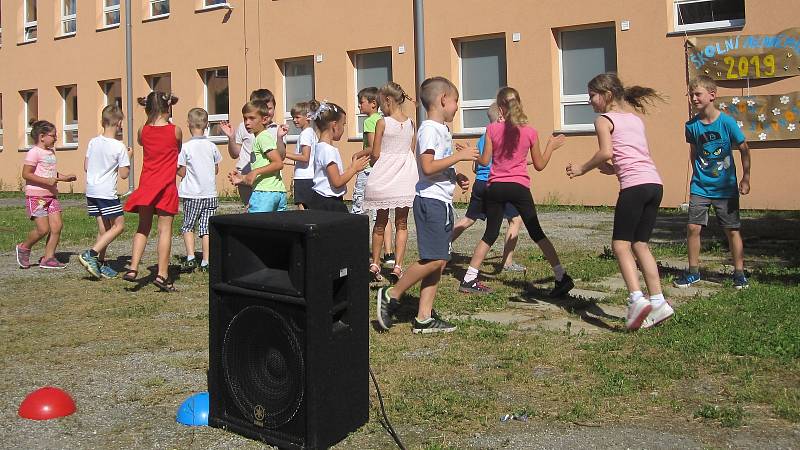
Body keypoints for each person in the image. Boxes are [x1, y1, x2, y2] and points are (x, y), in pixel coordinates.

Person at [566, 73, 673, 330]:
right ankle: (658, 301)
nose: (590, 101)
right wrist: (614, 170)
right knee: (641, 244)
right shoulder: (634, 119)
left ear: (607, 95)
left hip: (634, 188)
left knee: (621, 246)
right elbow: (631, 153)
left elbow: (606, 151)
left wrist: (582, 168)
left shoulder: (603, 120)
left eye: (592, 96)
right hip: (653, 184)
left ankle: (636, 299)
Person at [375, 76, 478, 334]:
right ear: (443, 99)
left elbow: (438, 166)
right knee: (435, 259)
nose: (457, 107)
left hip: (441, 201)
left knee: (439, 261)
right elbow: (428, 166)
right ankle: (392, 293)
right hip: (430, 202)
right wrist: (460, 156)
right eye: (455, 101)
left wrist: (456, 175)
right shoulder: (430, 129)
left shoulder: (441, 129)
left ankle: (423, 317)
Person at [459, 87, 572, 298]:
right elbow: (539, 165)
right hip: (519, 187)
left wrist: (470, 152)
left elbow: (484, 161)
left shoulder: (492, 129)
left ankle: (469, 278)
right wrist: (551, 146)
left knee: (490, 233)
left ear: (500, 108)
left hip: (495, 186)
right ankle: (560, 276)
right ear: (519, 104)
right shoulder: (530, 132)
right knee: (536, 231)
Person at [675, 75, 751, 290]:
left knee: (732, 229)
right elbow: (693, 152)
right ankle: (692, 272)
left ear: (712, 95)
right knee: (692, 227)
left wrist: (745, 178)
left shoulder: (726, 122)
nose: (694, 98)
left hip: (725, 187)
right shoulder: (691, 126)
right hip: (700, 186)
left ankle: (739, 273)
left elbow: (744, 148)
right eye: (691, 94)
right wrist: (697, 174)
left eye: (697, 94)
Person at [450, 103, 525, 272]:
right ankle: (507, 262)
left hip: (480, 184)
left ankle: (440, 248)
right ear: (501, 117)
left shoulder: (484, 137)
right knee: (515, 220)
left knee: (469, 218)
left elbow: (477, 167)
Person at [122, 92, 181, 292]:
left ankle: (132, 267)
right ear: (169, 108)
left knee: (143, 227)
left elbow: (141, 141)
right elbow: (177, 149)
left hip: (147, 185)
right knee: (164, 230)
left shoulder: (143, 130)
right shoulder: (175, 131)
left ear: (147, 109)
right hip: (166, 186)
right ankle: (162, 274)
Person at [363, 82, 418, 283]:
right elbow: (411, 150)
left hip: (385, 174)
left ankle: (375, 263)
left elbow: (376, 152)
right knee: (402, 223)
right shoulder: (412, 123)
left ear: (387, 100)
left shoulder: (382, 122)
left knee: (380, 222)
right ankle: (397, 266)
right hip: (405, 175)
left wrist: (373, 162)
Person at [78, 105, 131, 278]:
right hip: (106, 192)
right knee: (119, 226)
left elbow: (86, 166)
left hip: (91, 190)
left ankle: (100, 263)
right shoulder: (119, 147)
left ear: (103, 121)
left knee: (104, 229)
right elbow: (124, 175)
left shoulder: (93, 141)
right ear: (120, 123)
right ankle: (90, 254)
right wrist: (129, 158)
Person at [15, 120, 77, 269]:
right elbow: (26, 174)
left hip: (51, 196)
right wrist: (45, 181)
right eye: (53, 135)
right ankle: (24, 247)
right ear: (42, 136)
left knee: (57, 226)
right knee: (43, 229)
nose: (56, 138)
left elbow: (49, 173)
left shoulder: (51, 152)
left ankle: (48, 258)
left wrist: (64, 177)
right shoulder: (34, 152)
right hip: (37, 197)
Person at [220, 89, 286, 208]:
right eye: (246, 118)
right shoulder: (246, 128)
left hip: (266, 186)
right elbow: (235, 154)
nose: (247, 122)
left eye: (269, 108)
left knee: (256, 221)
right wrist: (231, 138)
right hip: (250, 181)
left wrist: (280, 138)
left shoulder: (275, 130)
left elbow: (279, 160)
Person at [177, 108, 222, 272]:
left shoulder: (185, 147)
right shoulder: (212, 146)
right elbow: (216, 169)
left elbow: (181, 171)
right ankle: (206, 261)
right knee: (206, 229)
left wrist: (178, 171)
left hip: (192, 193)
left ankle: (190, 257)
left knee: (188, 225)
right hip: (210, 193)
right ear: (207, 125)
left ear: (188, 124)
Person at [353, 87, 395, 263]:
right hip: (382, 170)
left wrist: (358, 155)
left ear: (373, 103)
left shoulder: (371, 121)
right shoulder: (384, 120)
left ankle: (357, 247)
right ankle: (389, 253)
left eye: (361, 102)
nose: (359, 105)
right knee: (382, 212)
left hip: (369, 169)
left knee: (359, 208)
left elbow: (372, 147)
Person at [307, 101, 369, 212]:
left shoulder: (321, 147)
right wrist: (354, 169)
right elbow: (337, 182)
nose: (344, 128)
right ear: (334, 125)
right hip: (328, 203)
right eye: (343, 124)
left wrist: (351, 168)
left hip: (321, 200)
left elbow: (333, 176)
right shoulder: (328, 150)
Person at [284, 101, 318, 210]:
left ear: (307, 117)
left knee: (302, 209)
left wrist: (284, 153)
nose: (294, 120)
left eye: (298, 117)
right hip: (310, 176)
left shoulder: (305, 134)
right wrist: (284, 161)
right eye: (293, 117)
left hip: (304, 179)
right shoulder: (311, 133)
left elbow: (305, 157)